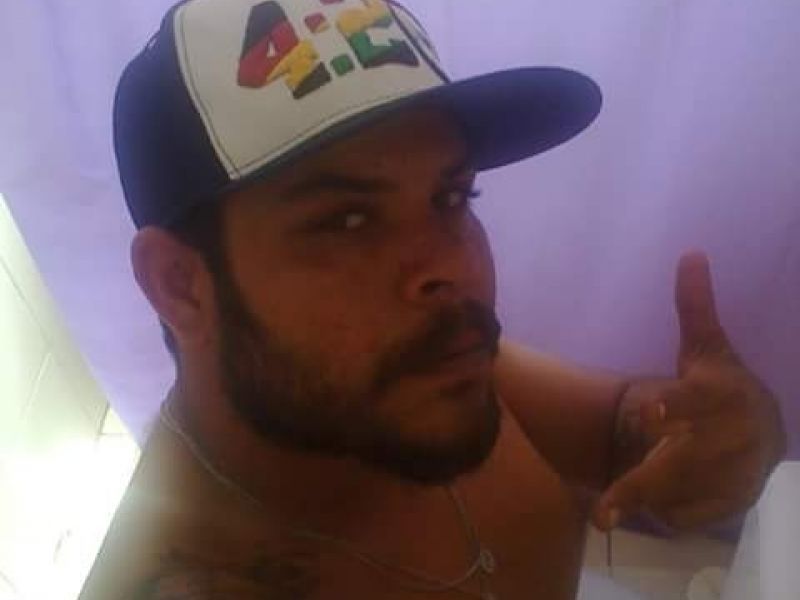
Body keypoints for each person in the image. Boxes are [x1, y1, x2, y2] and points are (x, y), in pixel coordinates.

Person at [80, 0, 787, 598]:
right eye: (347, 220)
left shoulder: (418, 375)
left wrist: (705, 437)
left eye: (451, 196)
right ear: (180, 286)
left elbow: (618, 432)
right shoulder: (194, 578)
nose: (451, 268)